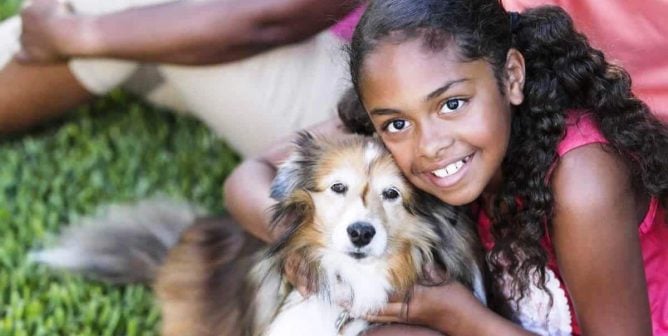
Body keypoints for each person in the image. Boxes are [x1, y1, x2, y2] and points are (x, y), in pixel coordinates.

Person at [224, 0, 668, 335]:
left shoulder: (583, 180)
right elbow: (248, 179)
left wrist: (456, 314)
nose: (431, 145)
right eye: (396, 122)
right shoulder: (399, 116)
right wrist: (305, 238)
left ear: (511, 77)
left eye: (452, 104)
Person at [0, 0, 362, 157]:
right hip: (325, 52)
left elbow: (270, 21)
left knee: (118, 12)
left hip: (358, 122)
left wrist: (72, 35)